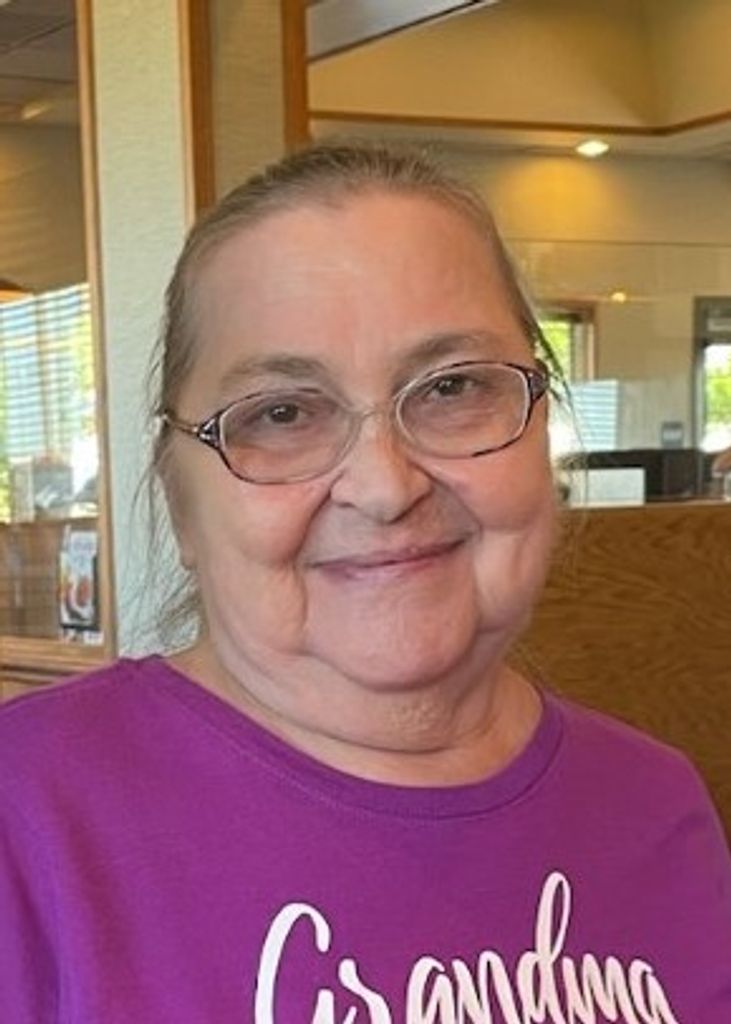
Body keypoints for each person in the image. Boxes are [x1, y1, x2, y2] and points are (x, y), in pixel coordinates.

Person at [1, 144, 730, 1023]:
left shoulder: (655, 802)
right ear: (179, 499)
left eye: (451, 387)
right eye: (282, 412)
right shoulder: (26, 815)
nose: (385, 487)